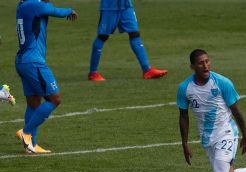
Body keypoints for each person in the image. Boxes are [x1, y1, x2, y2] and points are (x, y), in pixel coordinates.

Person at [15, 0, 78, 154]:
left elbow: (47, 8)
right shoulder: (34, 5)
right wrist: (70, 10)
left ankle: (32, 146)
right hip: (33, 62)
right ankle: (26, 132)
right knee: (55, 99)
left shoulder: (23, 6)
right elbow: (56, 11)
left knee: (34, 102)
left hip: (23, 60)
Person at [88, 0, 168, 81]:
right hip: (110, 7)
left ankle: (147, 70)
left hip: (126, 6)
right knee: (103, 36)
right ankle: (93, 73)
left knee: (134, 33)